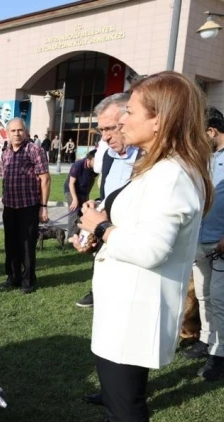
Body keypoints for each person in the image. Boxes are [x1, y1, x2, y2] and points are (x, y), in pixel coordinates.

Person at [75, 71, 212, 422]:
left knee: (128, 412)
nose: (122, 121)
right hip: (124, 309)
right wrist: (102, 236)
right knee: (124, 409)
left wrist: (101, 227)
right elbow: (141, 235)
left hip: (133, 315)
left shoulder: (171, 174)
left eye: (130, 112)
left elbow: (152, 250)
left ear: (159, 119)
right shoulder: (158, 168)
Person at [182, 107, 224, 381]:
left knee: (221, 299)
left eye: (198, 134)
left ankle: (221, 354)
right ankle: (206, 341)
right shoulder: (208, 156)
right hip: (201, 239)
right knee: (204, 295)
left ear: (211, 131)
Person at [77, 93, 138, 309]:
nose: (105, 137)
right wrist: (95, 205)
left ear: (128, 120)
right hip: (107, 240)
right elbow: (109, 195)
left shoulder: (150, 160)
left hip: (134, 251)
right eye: (101, 130)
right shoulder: (109, 157)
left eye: (111, 128)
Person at [0, 118, 50, 294]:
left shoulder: (35, 150)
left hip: (28, 205)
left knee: (27, 245)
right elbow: (4, 179)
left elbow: (45, 178)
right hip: (9, 206)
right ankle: (13, 277)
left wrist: (43, 206)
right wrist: (3, 200)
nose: (17, 134)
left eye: (20, 130)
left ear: (26, 132)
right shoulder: (5, 153)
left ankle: (28, 280)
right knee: (10, 243)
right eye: (13, 131)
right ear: (7, 133)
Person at [63, 150, 97, 238]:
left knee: (83, 214)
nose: (98, 162)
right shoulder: (78, 165)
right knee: (74, 212)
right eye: (96, 160)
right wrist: (74, 199)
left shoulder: (95, 168)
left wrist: (87, 195)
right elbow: (71, 183)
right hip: (71, 190)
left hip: (83, 192)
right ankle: (71, 238)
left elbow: (91, 181)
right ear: (89, 159)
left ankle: (79, 237)